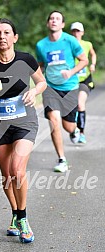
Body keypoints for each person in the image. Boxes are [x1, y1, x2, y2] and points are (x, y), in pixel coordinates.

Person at [0, 18, 47, 243]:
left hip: (25, 121)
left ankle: (23, 218)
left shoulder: (26, 59)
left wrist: (34, 92)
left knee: (17, 170)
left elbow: (41, 82)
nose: (1, 37)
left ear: (15, 37)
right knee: (6, 175)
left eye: (6, 33)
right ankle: (15, 213)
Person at [36, 11, 88, 172]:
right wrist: (39, 81)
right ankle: (62, 160)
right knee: (54, 121)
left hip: (70, 88)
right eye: (51, 18)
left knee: (68, 126)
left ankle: (76, 130)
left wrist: (71, 72)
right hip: (51, 87)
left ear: (62, 24)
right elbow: (40, 66)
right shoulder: (41, 45)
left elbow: (84, 60)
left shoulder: (70, 40)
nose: (54, 21)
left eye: (57, 19)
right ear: (47, 23)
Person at [70, 22, 97, 144]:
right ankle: (73, 128)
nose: (76, 33)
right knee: (72, 106)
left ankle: (81, 133)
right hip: (71, 80)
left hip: (85, 80)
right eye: (74, 31)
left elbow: (93, 54)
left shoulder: (87, 44)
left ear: (82, 32)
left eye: (78, 31)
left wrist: (92, 64)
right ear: (71, 33)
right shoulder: (68, 45)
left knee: (80, 104)